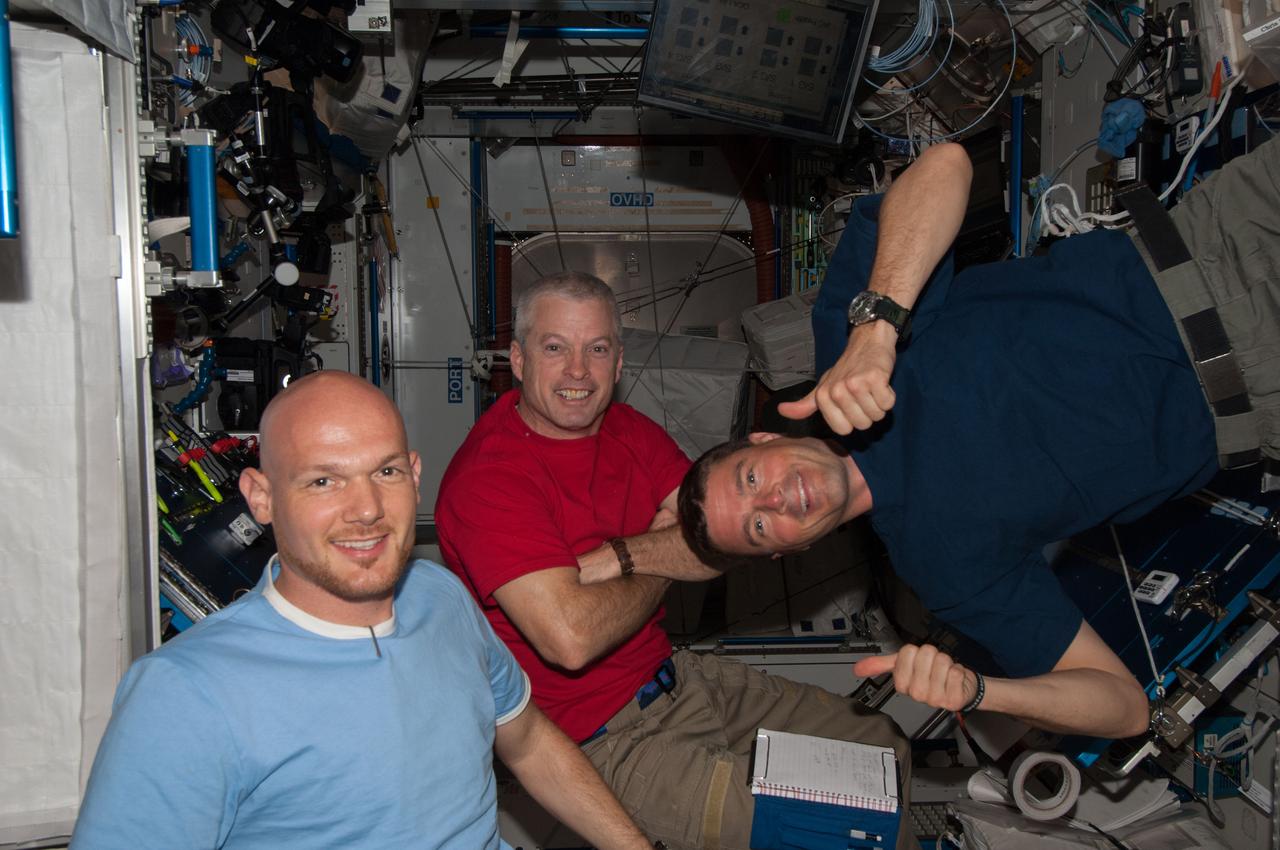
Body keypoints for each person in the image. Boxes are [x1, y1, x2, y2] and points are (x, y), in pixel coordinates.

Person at [678, 136, 1280, 741]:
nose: (775, 501)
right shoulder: (945, 570)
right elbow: (1124, 708)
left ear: (760, 439)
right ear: (788, 552)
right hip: (1259, 390)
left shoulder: (844, 337)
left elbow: (945, 165)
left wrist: (877, 329)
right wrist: (982, 689)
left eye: (750, 480)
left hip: (1218, 236)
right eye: (759, 527)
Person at [71, 371, 654, 850]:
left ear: (415, 475)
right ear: (261, 498)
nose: (368, 510)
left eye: (386, 472)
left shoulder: (441, 597)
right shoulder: (185, 694)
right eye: (324, 480)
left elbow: (526, 741)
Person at [436, 272, 917, 850]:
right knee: (832, 834)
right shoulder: (490, 477)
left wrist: (622, 555)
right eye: (554, 347)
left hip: (680, 679)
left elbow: (722, 542)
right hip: (604, 739)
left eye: (597, 349)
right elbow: (571, 637)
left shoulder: (629, 431)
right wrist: (664, 549)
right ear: (516, 359)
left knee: (882, 749)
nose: (577, 372)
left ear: (618, 362)